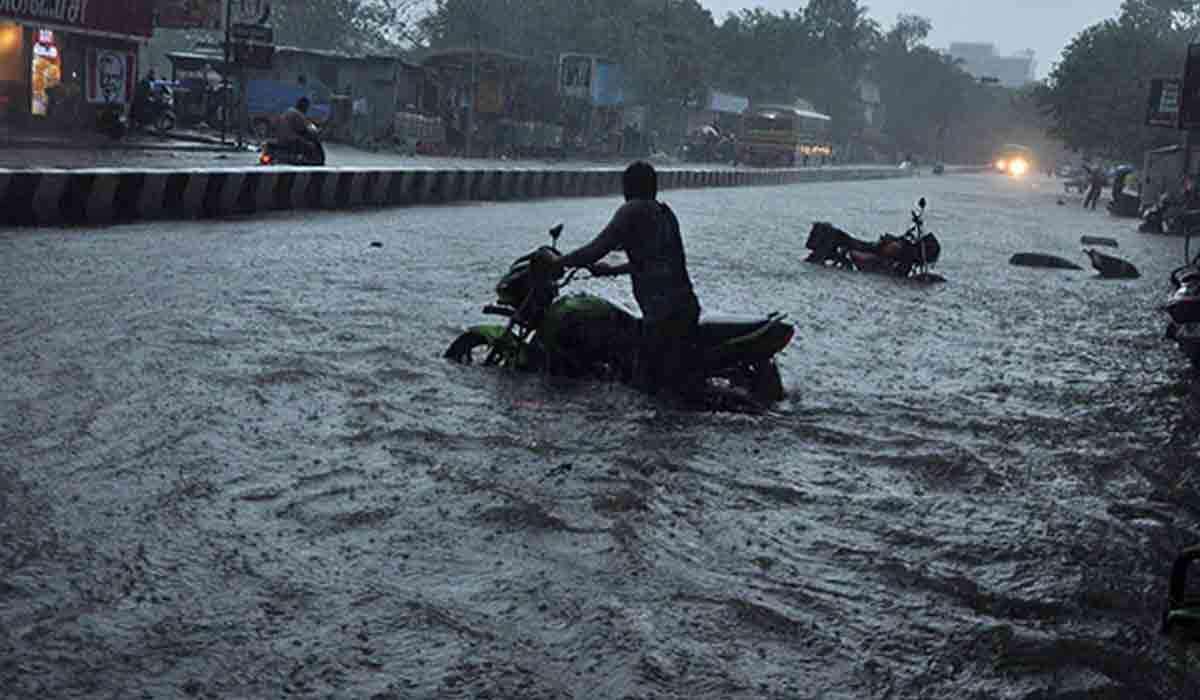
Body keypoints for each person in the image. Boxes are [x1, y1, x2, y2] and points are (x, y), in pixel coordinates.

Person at [541, 161, 701, 396]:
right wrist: (611, 271)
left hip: (662, 315)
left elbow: (596, 248)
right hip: (683, 307)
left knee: (647, 389)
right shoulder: (665, 213)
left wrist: (558, 262)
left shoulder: (632, 211)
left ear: (629, 186)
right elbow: (656, 263)